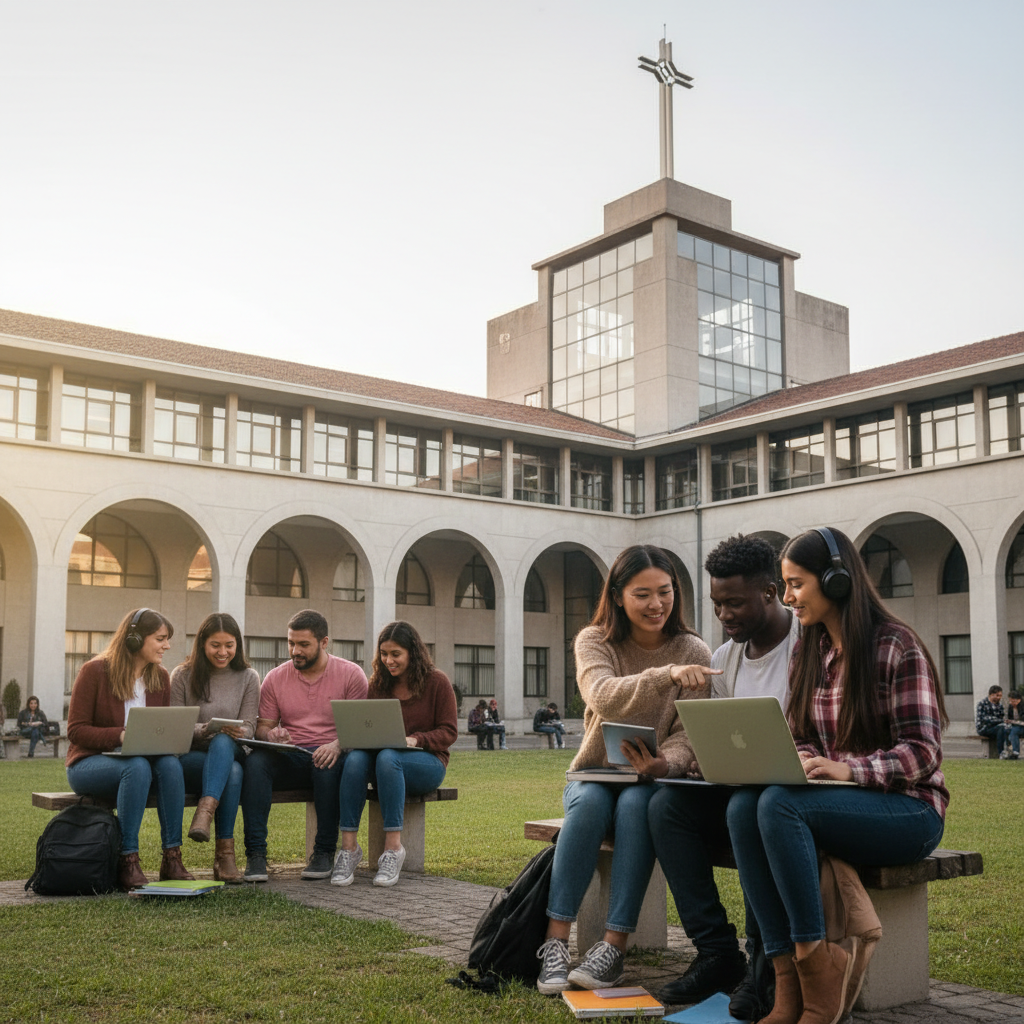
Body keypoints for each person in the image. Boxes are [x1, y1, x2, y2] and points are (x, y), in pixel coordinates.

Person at [725, 527, 948, 1024]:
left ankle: (818, 966)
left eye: (796, 584)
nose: (787, 598)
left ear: (837, 580)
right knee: (743, 806)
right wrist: (802, 760)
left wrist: (849, 770)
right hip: (834, 800)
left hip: (909, 810)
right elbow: (799, 732)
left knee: (777, 805)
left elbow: (923, 753)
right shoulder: (811, 648)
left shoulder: (897, 646)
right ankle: (785, 978)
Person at [536, 544, 718, 995]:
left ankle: (612, 947)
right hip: (595, 773)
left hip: (648, 779)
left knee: (638, 807)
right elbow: (602, 695)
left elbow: (688, 732)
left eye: (665, 591)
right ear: (617, 595)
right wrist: (666, 674)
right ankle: (555, 943)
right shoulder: (594, 640)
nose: (657, 604)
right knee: (589, 808)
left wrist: (665, 763)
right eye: (642, 594)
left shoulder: (693, 648)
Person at [649, 534, 799, 1010]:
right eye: (716, 605)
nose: (724, 615)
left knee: (749, 808)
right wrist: (700, 760)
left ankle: (764, 961)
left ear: (770, 593)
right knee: (665, 806)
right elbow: (723, 734)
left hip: (787, 794)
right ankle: (716, 952)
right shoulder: (724, 658)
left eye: (734, 603)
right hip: (738, 786)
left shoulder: (808, 644)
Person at [65, 607, 194, 890]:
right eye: (160, 638)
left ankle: (172, 857)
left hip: (141, 765)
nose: (167, 646)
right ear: (135, 639)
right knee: (135, 767)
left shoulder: (160, 677)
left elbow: (158, 732)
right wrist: (122, 736)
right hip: (88, 764)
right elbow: (75, 730)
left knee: (171, 765)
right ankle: (127, 859)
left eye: (167, 639)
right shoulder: (94, 671)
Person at [240, 608, 368, 882]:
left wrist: (336, 744)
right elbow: (263, 726)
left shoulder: (351, 675)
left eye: (303, 644)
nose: (295, 650)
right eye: (291, 643)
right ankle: (256, 855)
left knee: (326, 764)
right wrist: (271, 735)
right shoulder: (275, 677)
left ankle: (323, 852)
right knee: (256, 761)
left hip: (332, 754)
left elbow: (360, 728)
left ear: (324, 642)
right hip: (292, 754)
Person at [331, 621, 458, 888]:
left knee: (390, 756)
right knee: (354, 759)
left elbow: (449, 732)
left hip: (427, 763)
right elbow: (371, 726)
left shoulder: (438, 682)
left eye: (395, 654)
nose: (389, 660)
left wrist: (416, 739)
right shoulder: (379, 683)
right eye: (384, 654)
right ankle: (349, 849)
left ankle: (392, 850)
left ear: (413, 652)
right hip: (385, 764)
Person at [170, 612, 260, 883]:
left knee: (224, 742)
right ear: (202, 644)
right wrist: (207, 728)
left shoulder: (248, 677)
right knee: (231, 773)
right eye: (215, 645)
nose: (223, 652)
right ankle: (224, 858)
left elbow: (250, 728)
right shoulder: (182, 675)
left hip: (232, 747)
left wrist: (236, 731)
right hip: (193, 757)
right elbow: (176, 727)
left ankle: (204, 813)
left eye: (229, 645)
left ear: (237, 645)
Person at [976, 685, 1009, 757]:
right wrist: (1000, 721)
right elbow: (986, 719)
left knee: (1007, 728)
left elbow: (1002, 717)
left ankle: (1010, 751)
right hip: (984, 728)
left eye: (1000, 695)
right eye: (997, 695)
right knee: (1002, 728)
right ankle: (1001, 752)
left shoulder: (999, 705)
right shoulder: (982, 704)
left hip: (996, 727)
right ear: (991, 694)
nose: (999, 697)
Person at [1005, 690, 1023, 759]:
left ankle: (1015, 752)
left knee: (1014, 731)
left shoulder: (1022, 707)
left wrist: (1013, 722)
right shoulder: (1011, 707)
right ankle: (1006, 751)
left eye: (1013, 701)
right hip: (1015, 726)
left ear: (1019, 700)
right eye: (1010, 701)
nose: (1011, 703)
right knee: (1005, 730)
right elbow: (1010, 718)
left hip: (1021, 727)